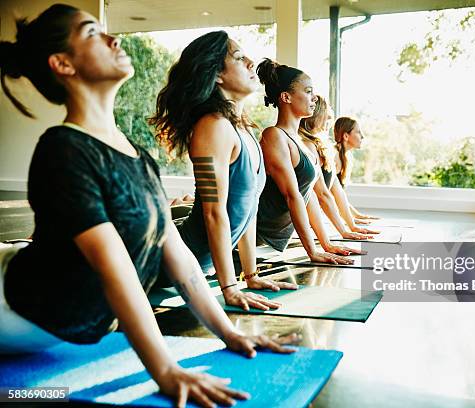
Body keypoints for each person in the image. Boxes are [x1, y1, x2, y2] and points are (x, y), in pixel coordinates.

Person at [0, 6, 294, 407]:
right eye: (91, 33)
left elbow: (180, 259)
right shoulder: (64, 150)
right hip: (11, 302)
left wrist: (231, 333)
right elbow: (114, 270)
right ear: (62, 63)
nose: (113, 39)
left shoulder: (136, 155)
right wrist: (166, 370)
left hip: (63, 321)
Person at [150, 32, 297, 312]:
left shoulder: (243, 130)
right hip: (164, 261)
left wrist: (250, 276)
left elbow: (249, 208)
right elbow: (212, 211)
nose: (252, 63)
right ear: (217, 74)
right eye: (240, 58)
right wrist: (229, 288)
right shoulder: (213, 126)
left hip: (195, 265)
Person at [255, 58, 362, 264]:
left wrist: (326, 244)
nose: (314, 98)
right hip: (253, 236)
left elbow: (309, 196)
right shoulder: (274, 136)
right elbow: (292, 196)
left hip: (267, 244)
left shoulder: (302, 143)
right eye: (308, 91)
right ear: (286, 97)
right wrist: (312, 251)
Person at [298, 96, 379, 236]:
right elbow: (322, 194)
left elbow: (336, 191)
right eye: (327, 118)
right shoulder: (318, 149)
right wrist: (344, 230)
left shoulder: (326, 150)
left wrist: (352, 224)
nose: (330, 124)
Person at [334, 116, 380, 223]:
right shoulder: (334, 157)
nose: (362, 136)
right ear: (346, 136)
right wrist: (351, 221)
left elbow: (338, 195)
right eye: (358, 132)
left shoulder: (345, 156)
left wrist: (357, 215)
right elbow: (330, 195)